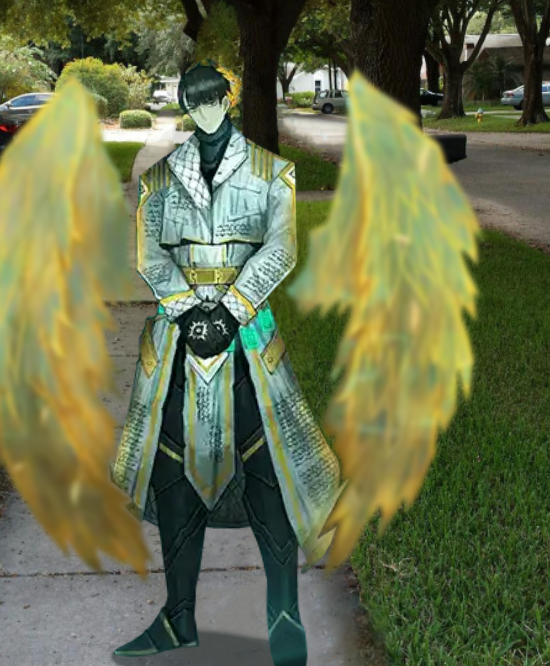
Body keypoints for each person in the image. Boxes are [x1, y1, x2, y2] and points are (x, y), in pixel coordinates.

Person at [110, 62, 341, 666]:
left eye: (213, 98)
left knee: (269, 468)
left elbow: (280, 248)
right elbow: (150, 253)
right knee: (171, 471)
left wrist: (233, 310)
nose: (205, 109)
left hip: (249, 338)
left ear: (228, 99)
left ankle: (284, 613)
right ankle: (178, 617)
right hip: (177, 339)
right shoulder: (161, 177)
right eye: (194, 100)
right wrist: (188, 310)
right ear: (186, 106)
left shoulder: (272, 171)